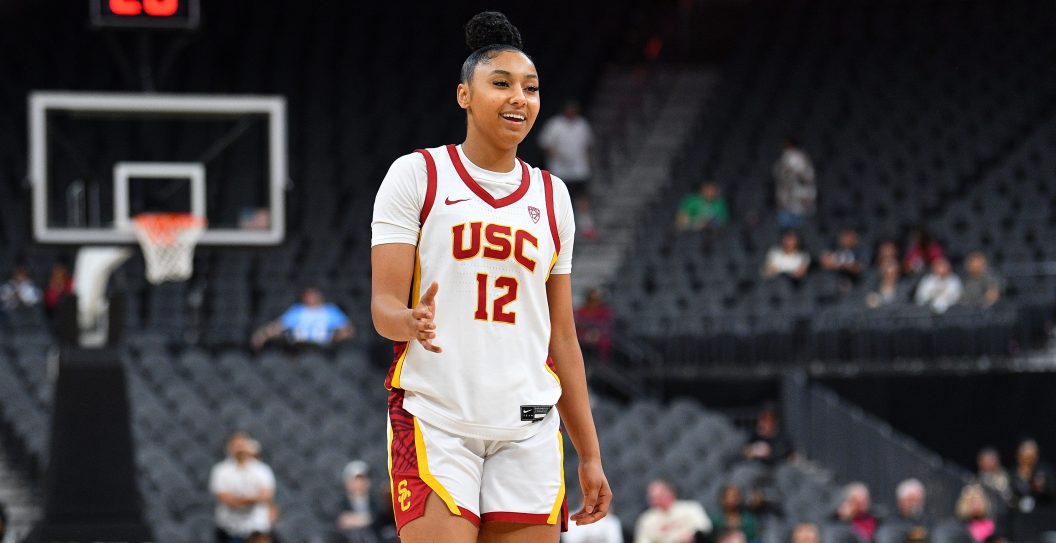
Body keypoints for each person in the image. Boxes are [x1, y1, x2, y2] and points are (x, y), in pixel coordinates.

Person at [370, 12, 610, 543]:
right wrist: (408, 321)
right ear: (464, 95)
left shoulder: (553, 197)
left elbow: (563, 336)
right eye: (500, 84)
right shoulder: (417, 175)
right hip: (437, 418)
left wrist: (589, 455)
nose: (518, 98)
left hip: (528, 425)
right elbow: (383, 309)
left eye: (531, 88)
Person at [210, 432, 276, 543]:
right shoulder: (220, 471)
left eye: (242, 444)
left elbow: (266, 496)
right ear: (229, 448)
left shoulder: (262, 470)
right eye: (236, 445)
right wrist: (254, 499)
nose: (240, 449)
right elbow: (226, 499)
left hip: (257, 529)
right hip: (230, 529)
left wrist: (239, 500)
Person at [251, 287, 355, 350]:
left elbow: (348, 330)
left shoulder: (330, 311)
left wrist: (336, 338)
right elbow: (279, 326)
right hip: (299, 348)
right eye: (308, 295)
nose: (311, 298)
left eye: (313, 295)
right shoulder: (297, 311)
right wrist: (262, 335)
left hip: (323, 349)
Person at [538, 101, 594, 203]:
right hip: (560, 169)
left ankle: (584, 218)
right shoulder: (555, 124)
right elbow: (546, 144)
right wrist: (557, 156)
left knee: (581, 194)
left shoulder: (582, 124)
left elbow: (588, 145)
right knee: (559, 196)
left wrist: (588, 161)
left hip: (579, 169)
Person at [634, 479, 711, 543]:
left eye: (659, 496)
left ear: (670, 493)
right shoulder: (646, 519)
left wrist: (691, 535)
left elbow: (704, 527)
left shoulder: (690, 508)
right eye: (652, 498)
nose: (655, 501)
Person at [331, 460, 383, 543]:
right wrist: (366, 519)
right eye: (356, 480)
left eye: (362, 480)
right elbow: (341, 521)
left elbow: (378, 518)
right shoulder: (340, 503)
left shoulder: (377, 502)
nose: (359, 484)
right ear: (348, 483)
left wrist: (354, 519)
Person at [772, 137, 816, 229]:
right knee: (785, 232)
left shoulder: (802, 158)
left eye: (788, 145)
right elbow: (779, 174)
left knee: (801, 232)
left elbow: (808, 177)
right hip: (786, 204)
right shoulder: (783, 158)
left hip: (801, 203)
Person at [1010, 438, 1052, 513]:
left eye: (1033, 450)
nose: (1030, 453)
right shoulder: (1012, 473)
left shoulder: (1044, 471)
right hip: (1018, 517)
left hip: (1043, 515)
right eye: (1027, 450)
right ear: (1018, 453)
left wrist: (1044, 488)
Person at [575, 288, 613, 364]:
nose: (594, 303)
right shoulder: (581, 311)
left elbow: (606, 326)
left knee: (605, 342)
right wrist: (585, 334)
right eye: (591, 300)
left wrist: (596, 334)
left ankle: (602, 364)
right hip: (582, 336)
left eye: (596, 300)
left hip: (599, 336)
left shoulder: (604, 312)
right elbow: (577, 325)